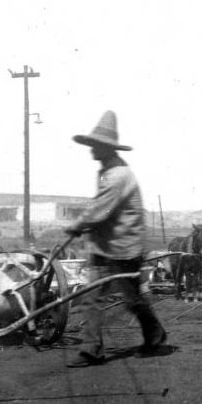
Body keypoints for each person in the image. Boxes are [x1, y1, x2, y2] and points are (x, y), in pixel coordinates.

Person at [64, 110, 167, 368]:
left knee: (132, 299)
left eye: (94, 146)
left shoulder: (119, 175)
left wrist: (76, 226)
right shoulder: (109, 171)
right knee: (91, 296)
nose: (90, 151)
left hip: (123, 249)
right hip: (104, 246)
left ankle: (155, 334)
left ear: (105, 148)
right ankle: (92, 350)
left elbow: (101, 209)